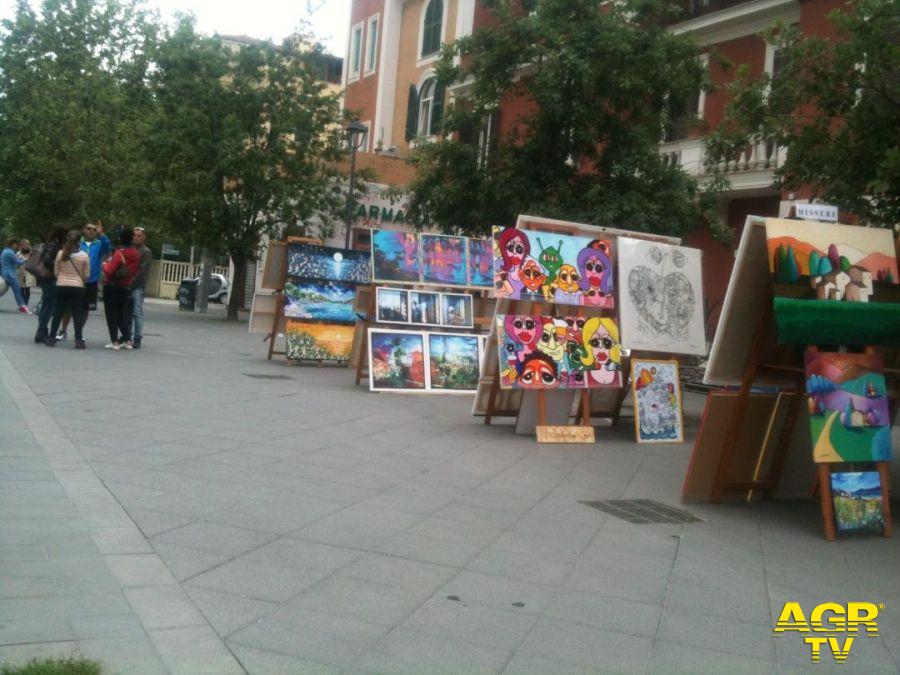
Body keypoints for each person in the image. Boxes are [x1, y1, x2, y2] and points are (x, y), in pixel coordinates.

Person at [56, 219, 110, 341]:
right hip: (74, 281)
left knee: (85, 308)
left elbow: (108, 247)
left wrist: (102, 234)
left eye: (94, 229)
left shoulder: (100, 244)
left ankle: (78, 332)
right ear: (83, 230)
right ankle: (63, 330)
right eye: (89, 228)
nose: (91, 231)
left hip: (91, 281)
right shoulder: (77, 243)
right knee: (68, 307)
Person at [48, 230, 90, 349]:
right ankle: (78, 340)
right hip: (77, 287)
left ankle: (52, 338)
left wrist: (62, 278)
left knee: (58, 312)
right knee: (77, 314)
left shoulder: (61, 253)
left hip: (61, 285)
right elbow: (87, 275)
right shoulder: (84, 256)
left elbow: (56, 271)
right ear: (80, 241)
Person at [101, 227, 140, 350]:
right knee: (122, 315)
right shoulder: (136, 254)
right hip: (126, 286)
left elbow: (109, 271)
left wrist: (104, 264)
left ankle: (115, 341)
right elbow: (133, 271)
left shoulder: (119, 252)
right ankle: (128, 340)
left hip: (112, 286)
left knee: (111, 315)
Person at [34, 226, 68, 342]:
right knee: (49, 306)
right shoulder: (54, 244)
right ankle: (42, 333)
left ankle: (41, 332)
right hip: (49, 278)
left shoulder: (52, 242)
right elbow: (47, 259)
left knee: (46, 305)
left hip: (46, 278)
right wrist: (58, 266)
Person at [131, 227, 152, 349]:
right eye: (135, 235)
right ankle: (127, 336)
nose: (136, 238)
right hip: (127, 284)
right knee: (128, 312)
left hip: (138, 285)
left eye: (139, 236)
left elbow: (142, 271)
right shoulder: (130, 249)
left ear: (144, 237)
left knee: (137, 312)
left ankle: (137, 337)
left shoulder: (146, 252)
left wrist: (132, 283)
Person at [1, 239, 29, 313]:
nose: (16, 246)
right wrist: (26, 259)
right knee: (17, 289)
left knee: (3, 289)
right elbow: (17, 262)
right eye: (16, 244)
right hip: (10, 274)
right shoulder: (10, 252)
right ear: (12, 244)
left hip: (4, 273)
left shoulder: (4, 251)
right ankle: (22, 306)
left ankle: (22, 305)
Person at [16, 239, 35, 306]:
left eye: (28, 244)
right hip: (20, 273)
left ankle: (25, 303)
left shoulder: (32, 253)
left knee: (27, 288)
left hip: (29, 273)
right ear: (22, 245)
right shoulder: (18, 253)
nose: (27, 246)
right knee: (21, 288)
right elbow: (16, 263)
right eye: (25, 244)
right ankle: (22, 303)